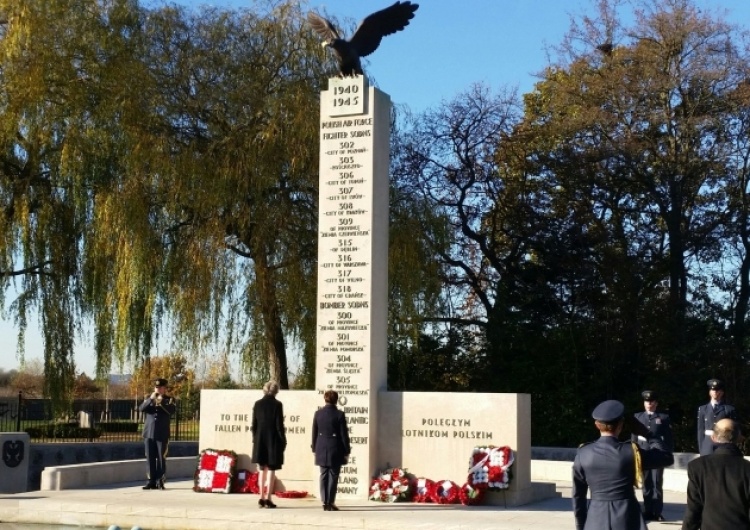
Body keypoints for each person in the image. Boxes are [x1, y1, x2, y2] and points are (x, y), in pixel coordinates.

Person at [572, 399, 674, 530]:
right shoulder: (631, 452)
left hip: (596, 518)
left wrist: (581, 526)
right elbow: (666, 457)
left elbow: (578, 496)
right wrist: (647, 433)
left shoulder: (583, 453)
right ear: (621, 425)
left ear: (597, 425)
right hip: (627, 518)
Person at [682, 419, 750, 530]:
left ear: (713, 438)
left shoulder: (697, 467)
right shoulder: (747, 469)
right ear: (739, 438)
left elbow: (693, 509)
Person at [631, 390, 673, 522]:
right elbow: (634, 439)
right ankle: (648, 510)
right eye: (646, 402)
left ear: (656, 403)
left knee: (657, 483)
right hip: (643, 454)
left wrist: (666, 455)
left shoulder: (663, 418)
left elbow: (668, 439)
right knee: (646, 483)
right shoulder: (638, 417)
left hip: (657, 454)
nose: (649, 404)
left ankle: (657, 511)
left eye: (651, 402)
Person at [311, 390, 351, 511]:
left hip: (321, 446)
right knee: (333, 475)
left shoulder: (318, 413)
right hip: (335, 447)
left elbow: (314, 432)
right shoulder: (339, 414)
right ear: (336, 400)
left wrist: (314, 447)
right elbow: (344, 435)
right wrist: (347, 450)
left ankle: (324, 501)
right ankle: (330, 502)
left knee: (323, 474)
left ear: (325, 399)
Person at [251, 380, 287, 508]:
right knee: (271, 469)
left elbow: (254, 426)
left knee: (262, 469)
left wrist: (255, 440)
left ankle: (261, 497)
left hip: (260, 440)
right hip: (273, 440)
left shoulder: (257, 404)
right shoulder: (277, 405)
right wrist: (283, 440)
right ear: (276, 391)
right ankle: (268, 498)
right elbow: (279, 426)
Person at [138, 377, 176, 490]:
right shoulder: (148, 398)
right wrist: (151, 399)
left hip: (162, 433)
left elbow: (171, 411)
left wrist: (161, 403)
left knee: (161, 457)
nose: (158, 389)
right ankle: (151, 481)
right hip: (149, 433)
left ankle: (160, 480)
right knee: (149, 457)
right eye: (156, 387)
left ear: (165, 389)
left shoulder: (169, 400)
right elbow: (141, 408)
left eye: (160, 388)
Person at [696, 378, 738, 455]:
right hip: (707, 445)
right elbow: (700, 430)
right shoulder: (702, 409)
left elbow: (733, 430)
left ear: (722, 392)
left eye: (717, 390)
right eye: (713, 390)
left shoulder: (728, 409)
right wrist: (701, 447)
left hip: (723, 444)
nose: (715, 392)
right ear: (709, 392)